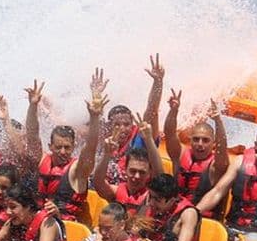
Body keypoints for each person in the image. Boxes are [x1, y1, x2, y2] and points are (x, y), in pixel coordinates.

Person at [26, 72, 107, 221]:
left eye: (67, 147)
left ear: (73, 147)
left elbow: (91, 147)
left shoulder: (78, 170)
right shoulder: (42, 159)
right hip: (37, 221)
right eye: (58, 147)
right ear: (50, 146)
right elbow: (32, 135)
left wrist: (94, 117)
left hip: (64, 228)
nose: (63, 152)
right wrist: (33, 106)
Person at [163, 90, 229, 218]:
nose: (200, 144)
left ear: (213, 144)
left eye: (205, 140)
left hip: (201, 219)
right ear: (190, 140)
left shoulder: (216, 167)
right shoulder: (180, 154)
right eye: (196, 139)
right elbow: (169, 133)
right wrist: (173, 111)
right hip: (174, 214)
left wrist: (218, 121)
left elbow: (222, 148)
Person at [101, 54, 165, 185]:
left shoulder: (139, 142)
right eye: (117, 125)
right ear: (109, 126)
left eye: (126, 124)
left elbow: (151, 110)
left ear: (132, 125)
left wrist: (158, 82)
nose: (122, 129)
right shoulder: (106, 143)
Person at [94, 115, 164, 216]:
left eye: (142, 172)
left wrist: (148, 139)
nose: (136, 176)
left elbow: (160, 176)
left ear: (149, 173)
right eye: (132, 171)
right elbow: (98, 182)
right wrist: (106, 155)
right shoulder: (116, 192)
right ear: (125, 170)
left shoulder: (152, 196)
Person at [143, 173, 200, 241]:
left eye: (157, 199)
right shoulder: (153, 206)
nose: (152, 203)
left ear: (172, 200)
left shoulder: (188, 214)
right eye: (151, 196)